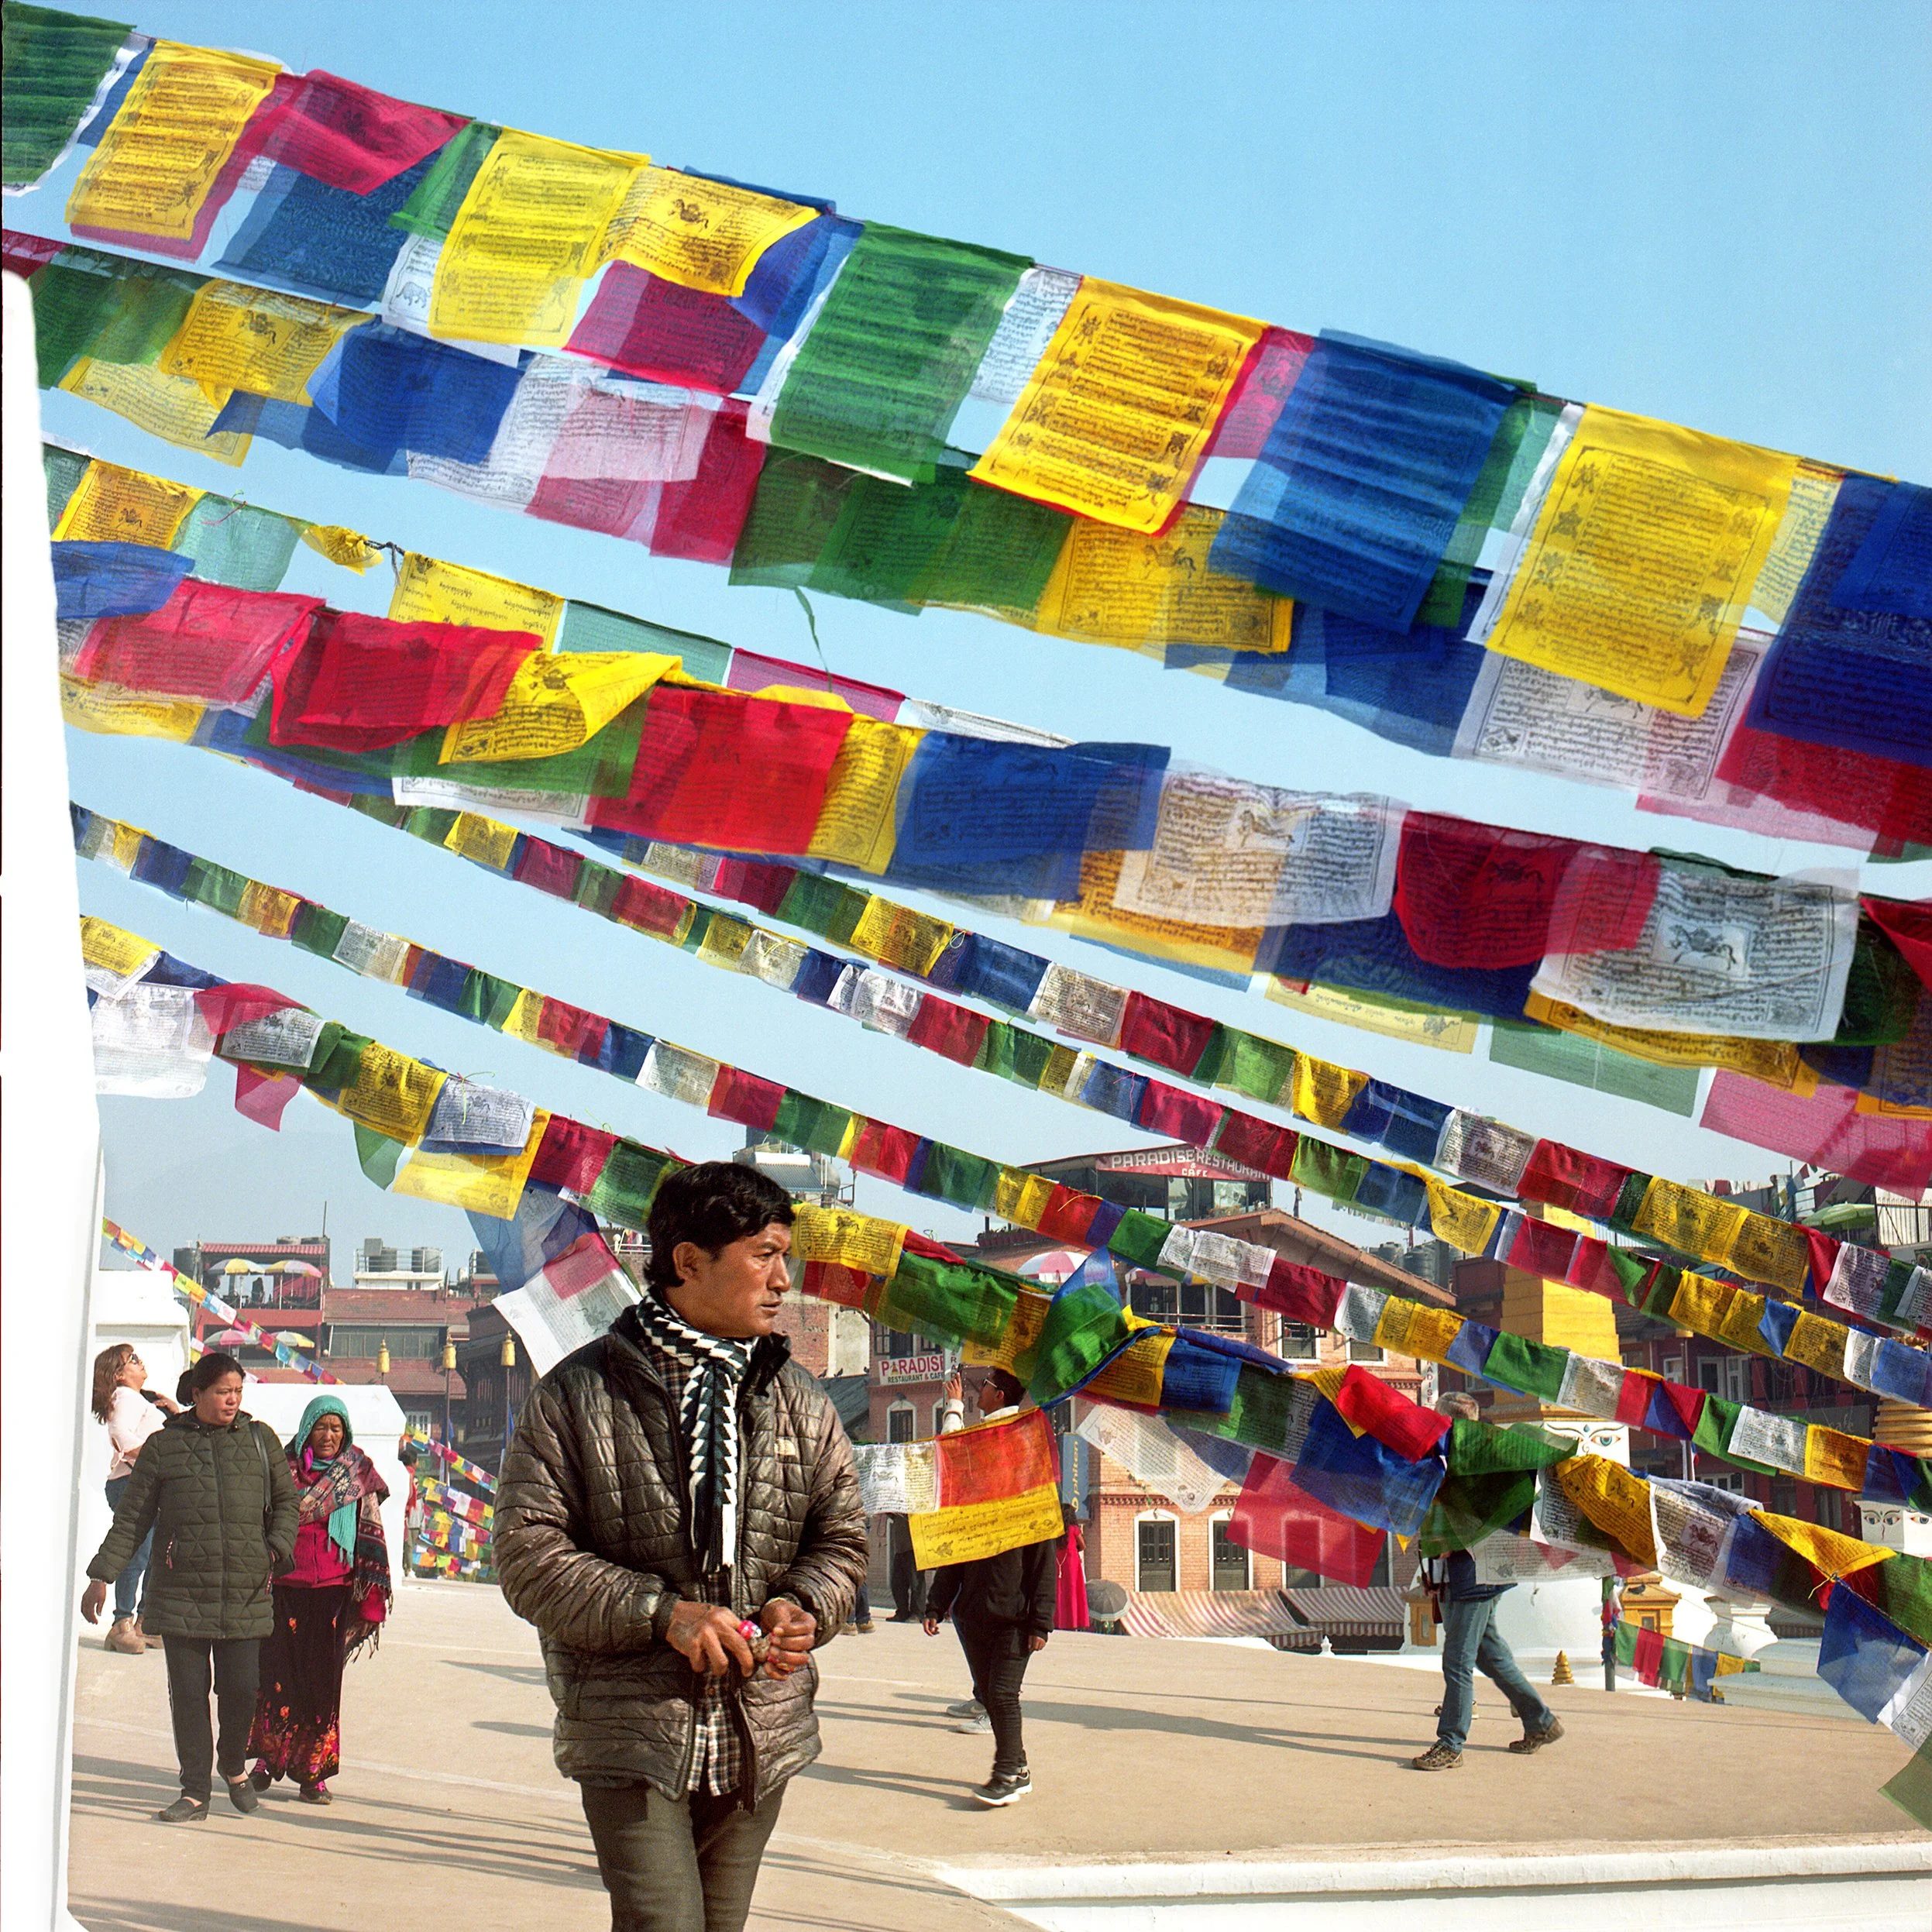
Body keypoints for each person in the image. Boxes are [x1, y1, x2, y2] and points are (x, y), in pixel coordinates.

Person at [496, 1162, 869, 1932]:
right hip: (630, 1721)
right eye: (763, 1253)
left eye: (783, 1255)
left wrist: (801, 1606)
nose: (782, 1278)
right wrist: (662, 1613)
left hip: (759, 1720)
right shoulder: (577, 1394)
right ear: (690, 1260)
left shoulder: (798, 1399)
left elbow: (839, 1537)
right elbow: (528, 1555)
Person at [81, 1353, 298, 1822]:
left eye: (237, 1391)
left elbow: (287, 1502)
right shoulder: (164, 1447)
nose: (232, 1400)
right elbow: (133, 1519)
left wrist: (275, 1548)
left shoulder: (261, 1441)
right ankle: (195, 1791)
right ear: (197, 1394)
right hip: (181, 1590)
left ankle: (234, 1764)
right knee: (188, 1693)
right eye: (223, 1392)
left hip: (244, 1590)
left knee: (242, 1689)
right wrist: (102, 1576)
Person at [922, 1368, 1057, 1807]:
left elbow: (1042, 1556)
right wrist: (938, 1602)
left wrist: (1041, 1620)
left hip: (1015, 1613)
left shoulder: (1028, 1480)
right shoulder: (978, 1487)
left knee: (1002, 1694)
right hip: (974, 1610)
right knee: (991, 1696)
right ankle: (1016, 1768)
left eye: (985, 1387)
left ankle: (1009, 1772)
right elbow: (959, 1543)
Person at [247, 1394, 393, 1804]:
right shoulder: (281, 1468)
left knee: (322, 1684)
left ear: (345, 1433)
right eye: (321, 1427)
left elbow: (372, 1535)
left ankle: (313, 1774)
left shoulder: (357, 1472)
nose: (328, 1436)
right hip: (283, 1589)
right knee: (276, 1677)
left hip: (333, 1591)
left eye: (336, 1428)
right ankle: (266, 1762)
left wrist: (372, 1600)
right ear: (307, 1427)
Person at [1411, 1392, 1565, 1771]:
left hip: (1474, 1576)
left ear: (1452, 1423)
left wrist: (1454, 1541)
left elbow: (1487, 1516)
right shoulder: (1455, 1458)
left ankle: (1451, 1743)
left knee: (1458, 1662)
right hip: (1465, 1575)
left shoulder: (1483, 1462)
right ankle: (1541, 1721)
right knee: (1488, 1654)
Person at [89, 1343, 180, 1654]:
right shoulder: (125, 1397)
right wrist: (155, 1459)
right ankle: (122, 1623)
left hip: (145, 1483)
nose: (141, 1363)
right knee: (139, 1552)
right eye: (134, 1360)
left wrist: (173, 1412)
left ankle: (143, 1622)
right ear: (119, 1374)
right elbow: (122, 1437)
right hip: (131, 1484)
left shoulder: (137, 1399)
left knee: (155, 1552)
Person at [1055, 1502, 1091, 1633]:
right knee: (1073, 1591)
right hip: (1071, 1562)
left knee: (1058, 1590)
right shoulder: (1073, 1529)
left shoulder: (1055, 1528)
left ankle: (1057, 1620)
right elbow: (1083, 1546)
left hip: (1057, 1561)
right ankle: (1074, 1621)